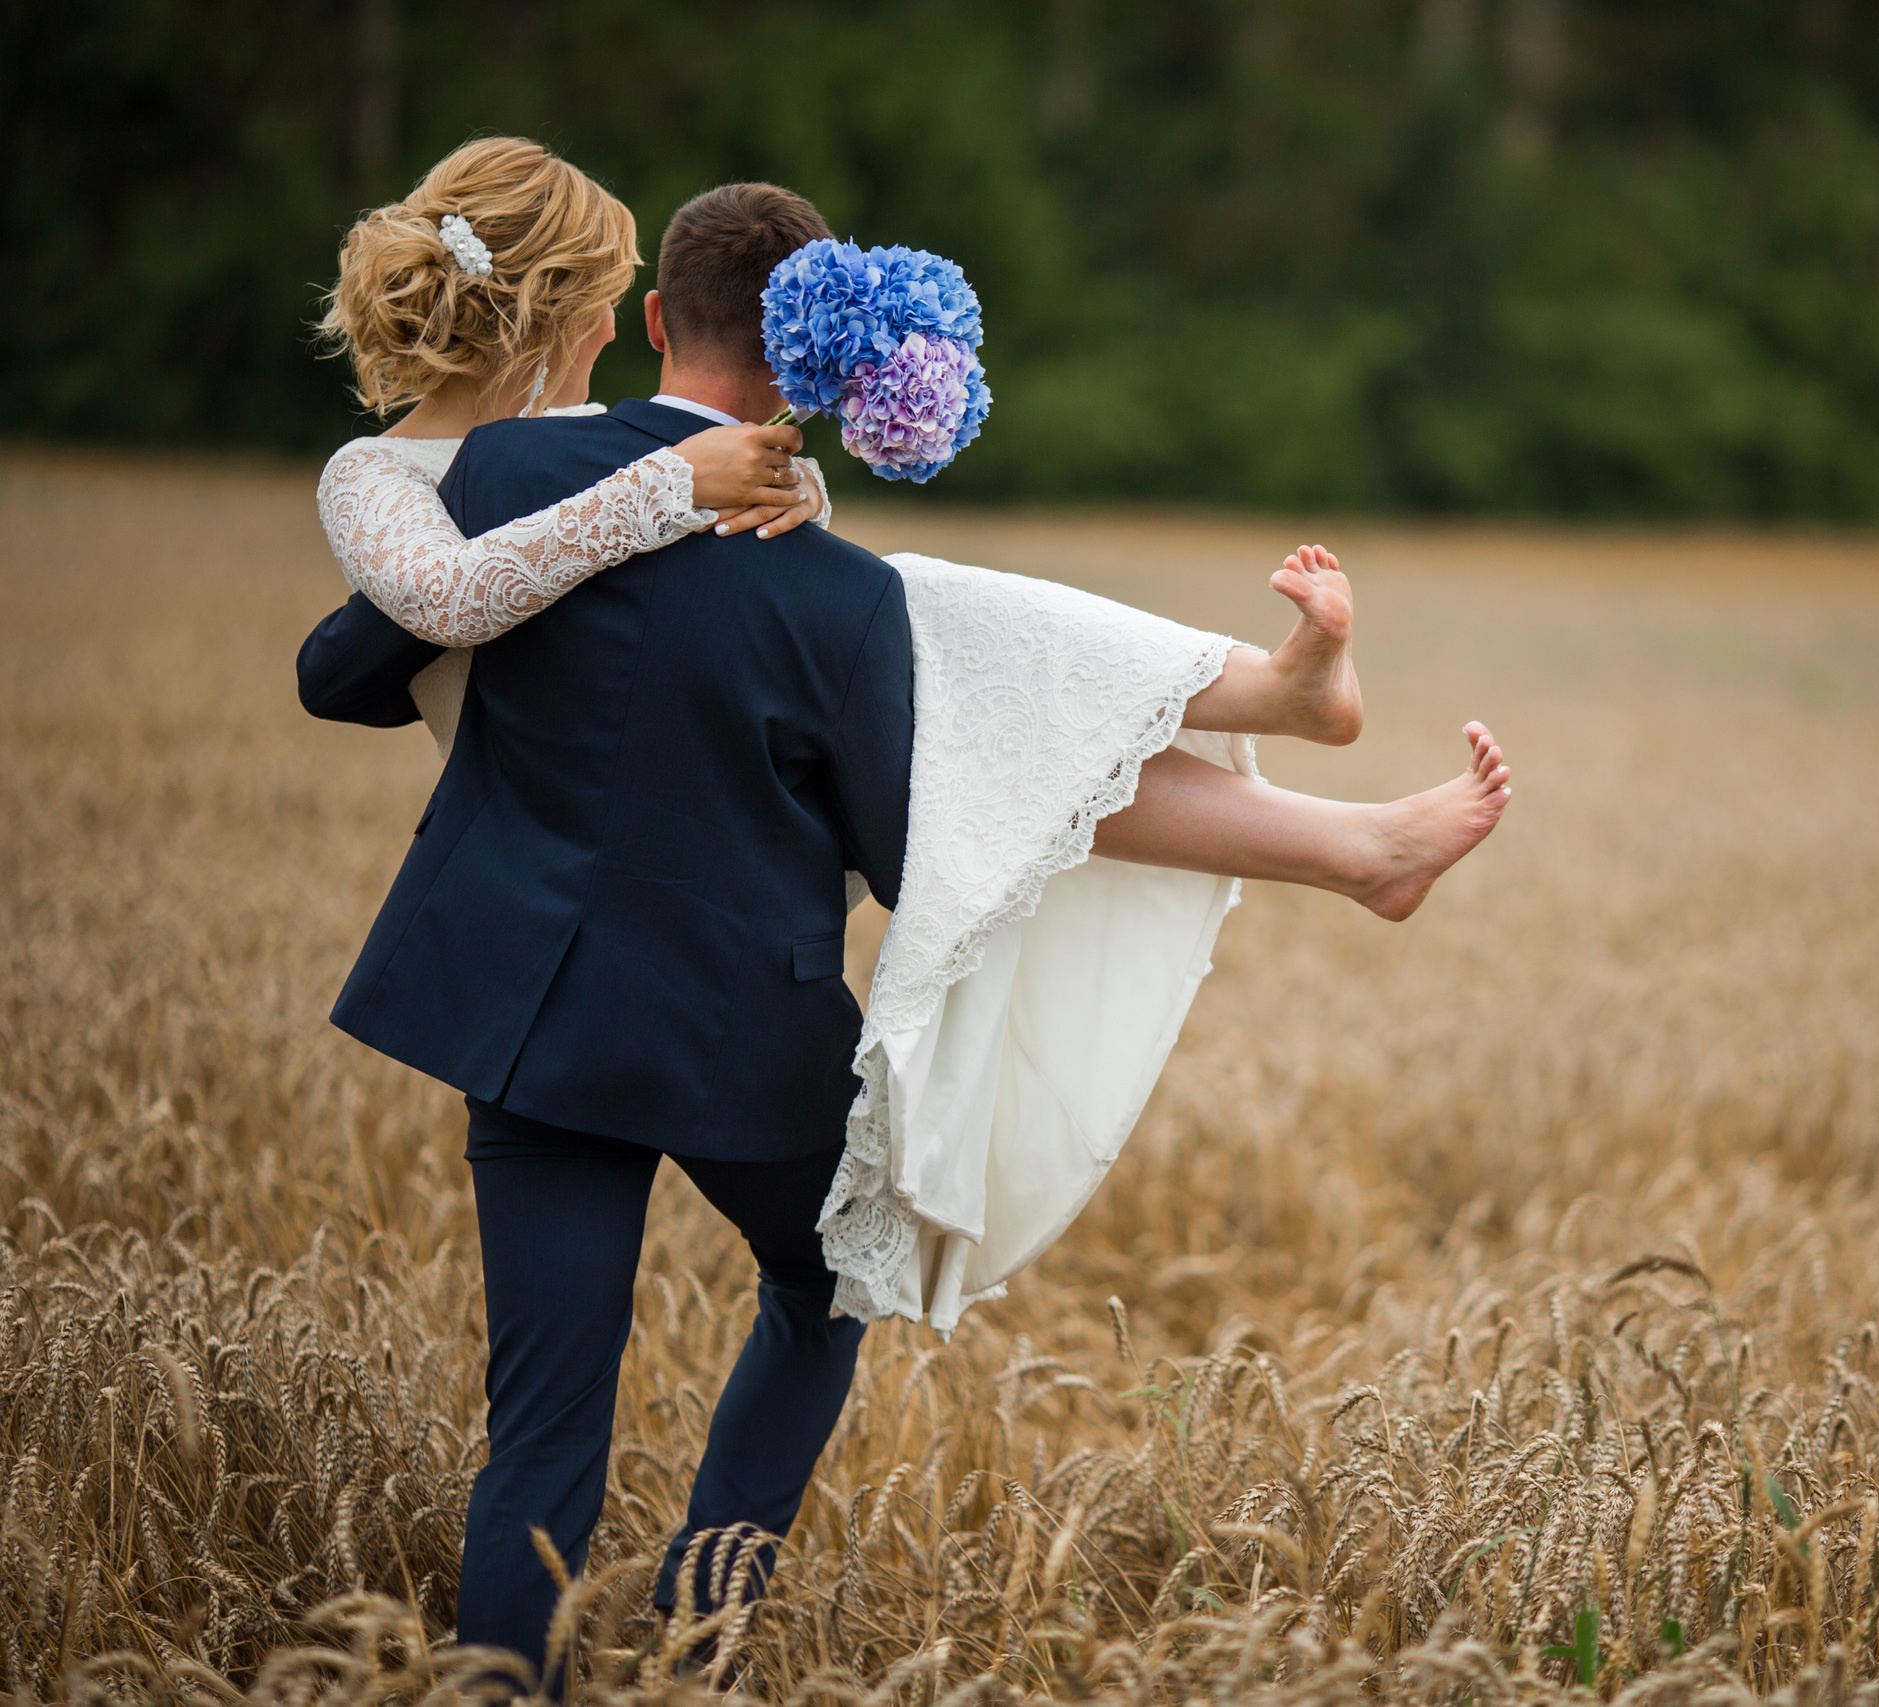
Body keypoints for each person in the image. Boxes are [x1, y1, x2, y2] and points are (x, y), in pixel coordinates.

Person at [297, 140, 1508, 1668]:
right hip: (747, 1027)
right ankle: (702, 1628)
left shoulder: (488, 480)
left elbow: (348, 666)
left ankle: (495, 1692)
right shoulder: (840, 590)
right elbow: (895, 836)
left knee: (539, 1427)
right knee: (829, 1279)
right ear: (813, 351)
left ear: (659, 322)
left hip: (529, 1021)